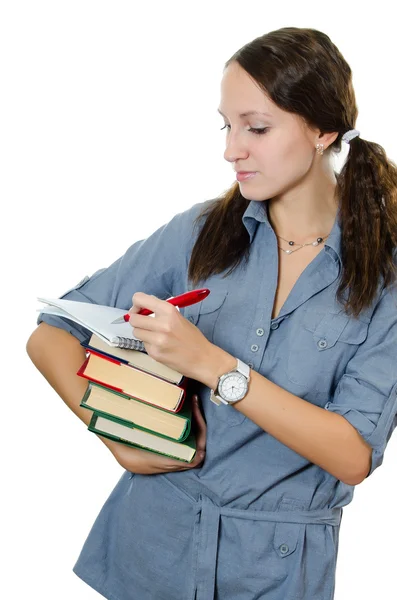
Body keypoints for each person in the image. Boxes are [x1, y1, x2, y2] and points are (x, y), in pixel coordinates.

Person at [26, 26, 397, 600]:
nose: (231, 150)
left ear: (323, 130)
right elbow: (53, 333)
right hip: (147, 551)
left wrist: (213, 365)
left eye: (258, 127)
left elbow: (353, 454)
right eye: (227, 126)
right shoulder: (202, 233)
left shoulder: (383, 275)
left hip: (273, 574)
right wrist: (117, 436)